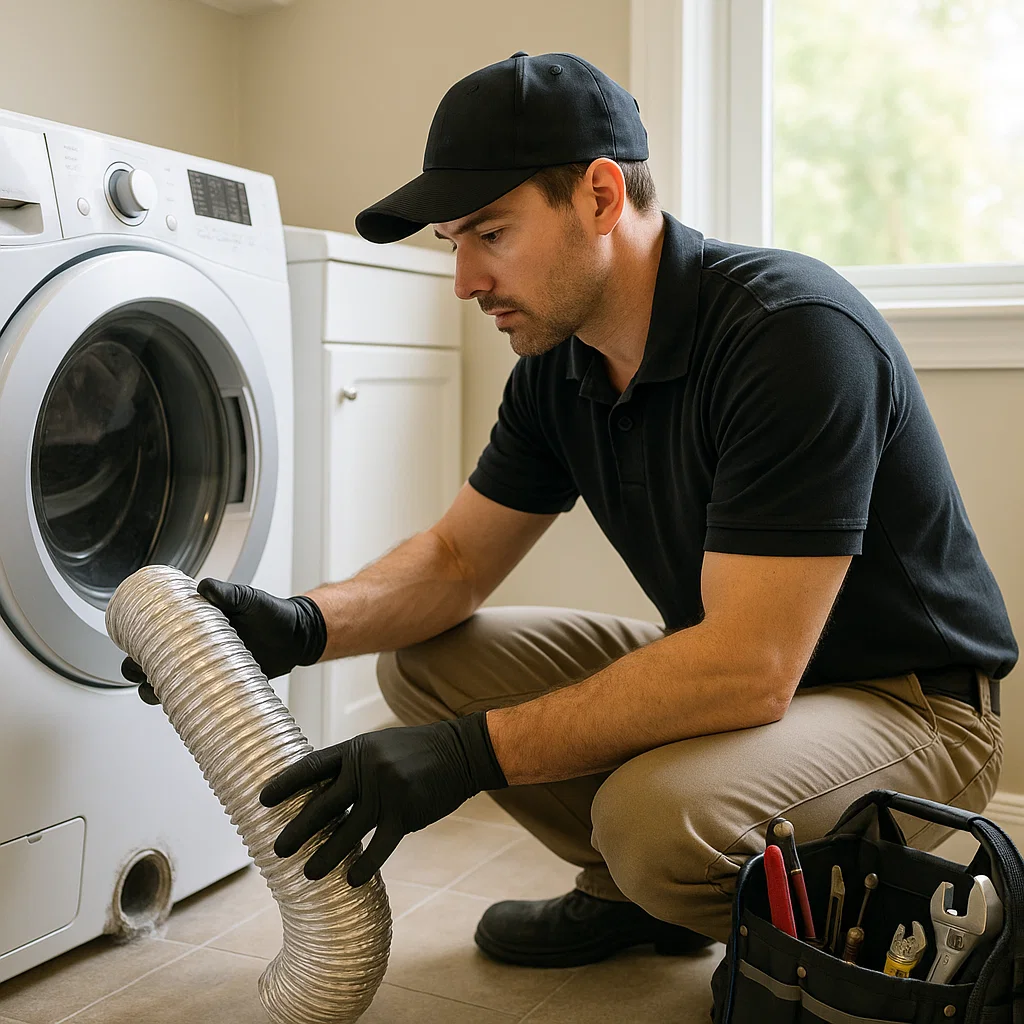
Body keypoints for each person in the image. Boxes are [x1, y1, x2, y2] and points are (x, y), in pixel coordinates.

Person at [124, 51, 1015, 966]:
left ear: (598, 195)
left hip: (909, 705)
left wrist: (470, 755)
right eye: (453, 243)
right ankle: (642, 900)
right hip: (755, 673)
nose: (465, 280)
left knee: (657, 823)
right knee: (431, 662)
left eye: (491, 234)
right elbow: (457, 561)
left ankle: (819, 952)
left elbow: (749, 668)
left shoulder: (790, 336)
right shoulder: (561, 365)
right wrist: (304, 624)